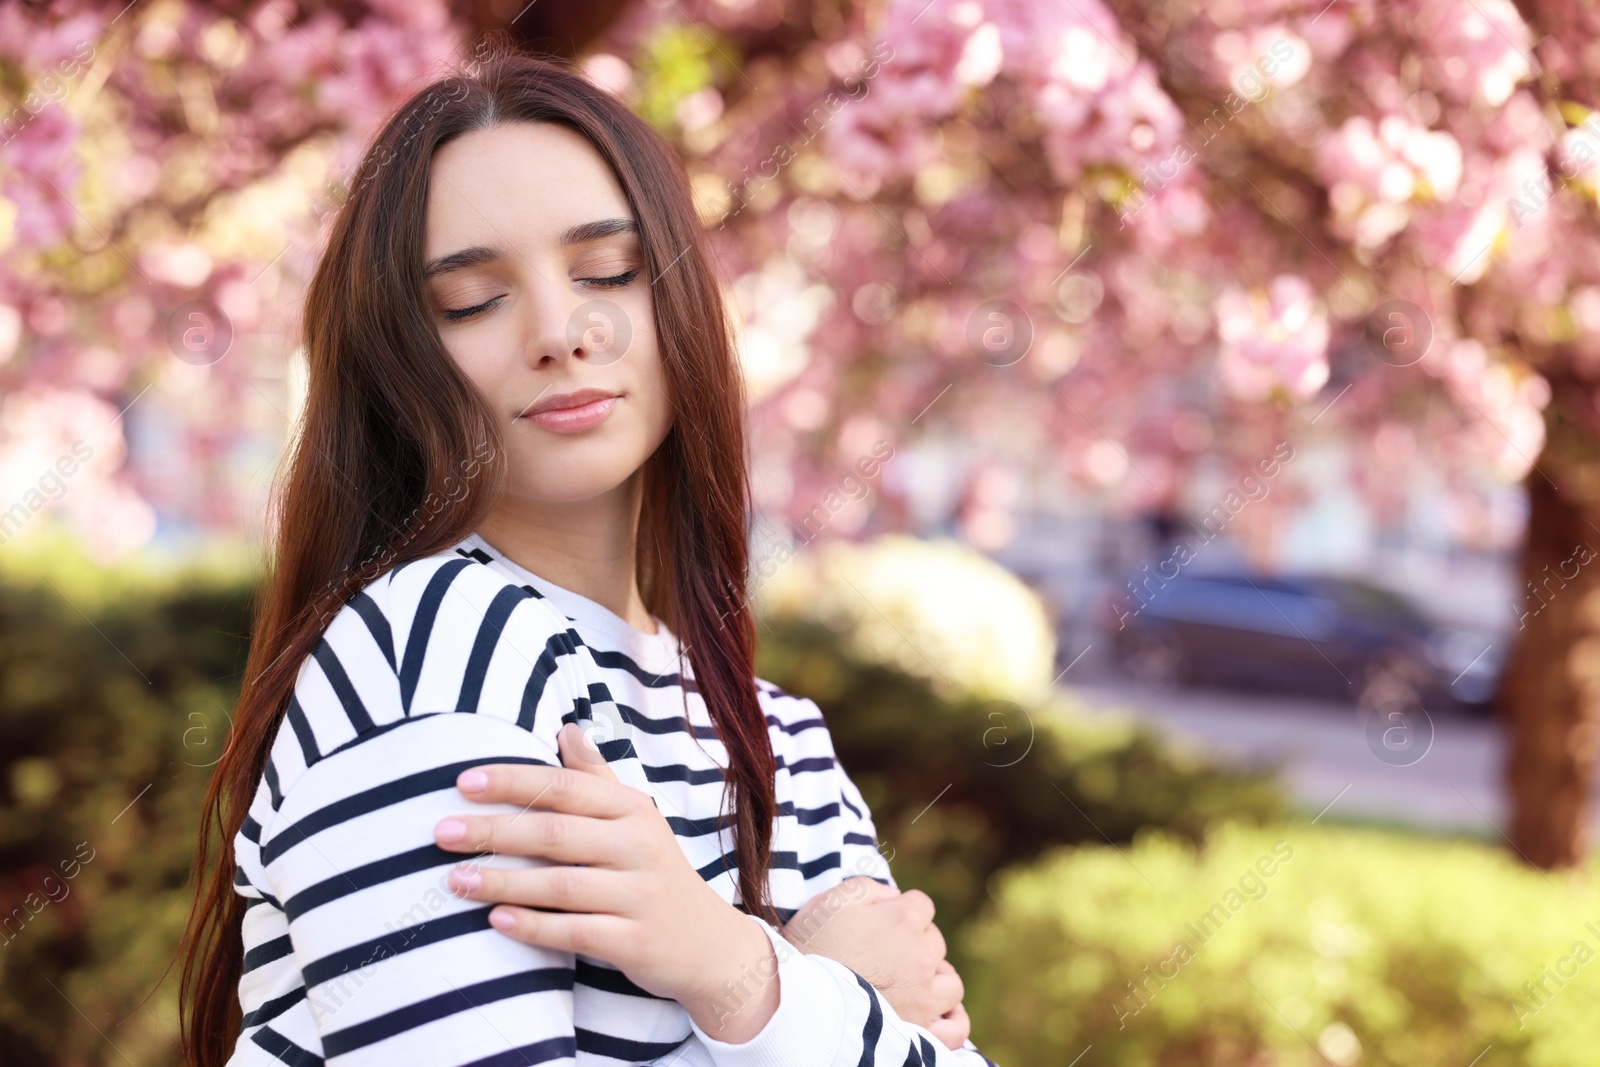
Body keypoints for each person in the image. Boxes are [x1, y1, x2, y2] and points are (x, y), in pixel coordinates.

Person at [176, 46, 997, 1067]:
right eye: (473, 298)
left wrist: (741, 972)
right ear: (399, 366)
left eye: (607, 270)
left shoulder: (784, 741)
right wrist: (801, 987)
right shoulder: (434, 647)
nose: (563, 331)